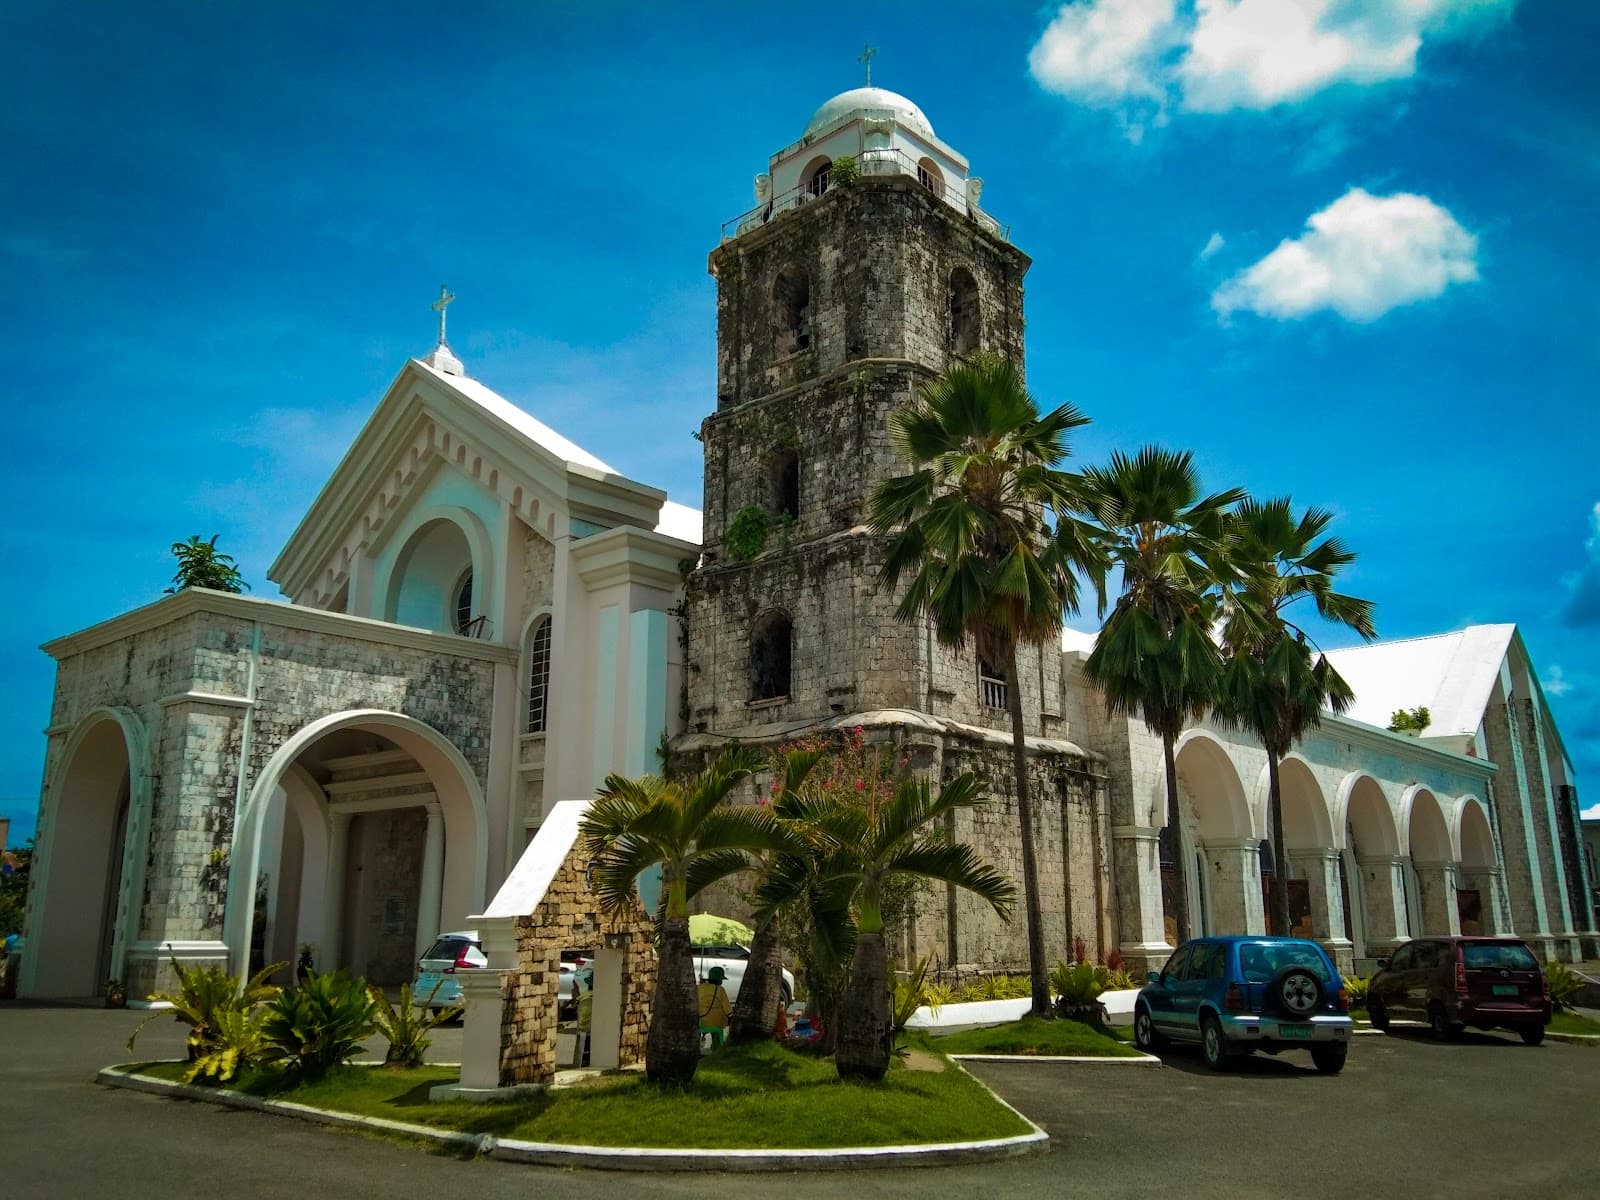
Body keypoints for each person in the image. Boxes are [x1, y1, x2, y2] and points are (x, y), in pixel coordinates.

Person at [697, 965, 732, 1049]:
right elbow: (727, 1009)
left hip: (700, 1021)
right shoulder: (720, 990)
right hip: (716, 1022)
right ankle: (716, 1048)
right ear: (719, 979)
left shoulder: (698, 987)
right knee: (717, 1034)